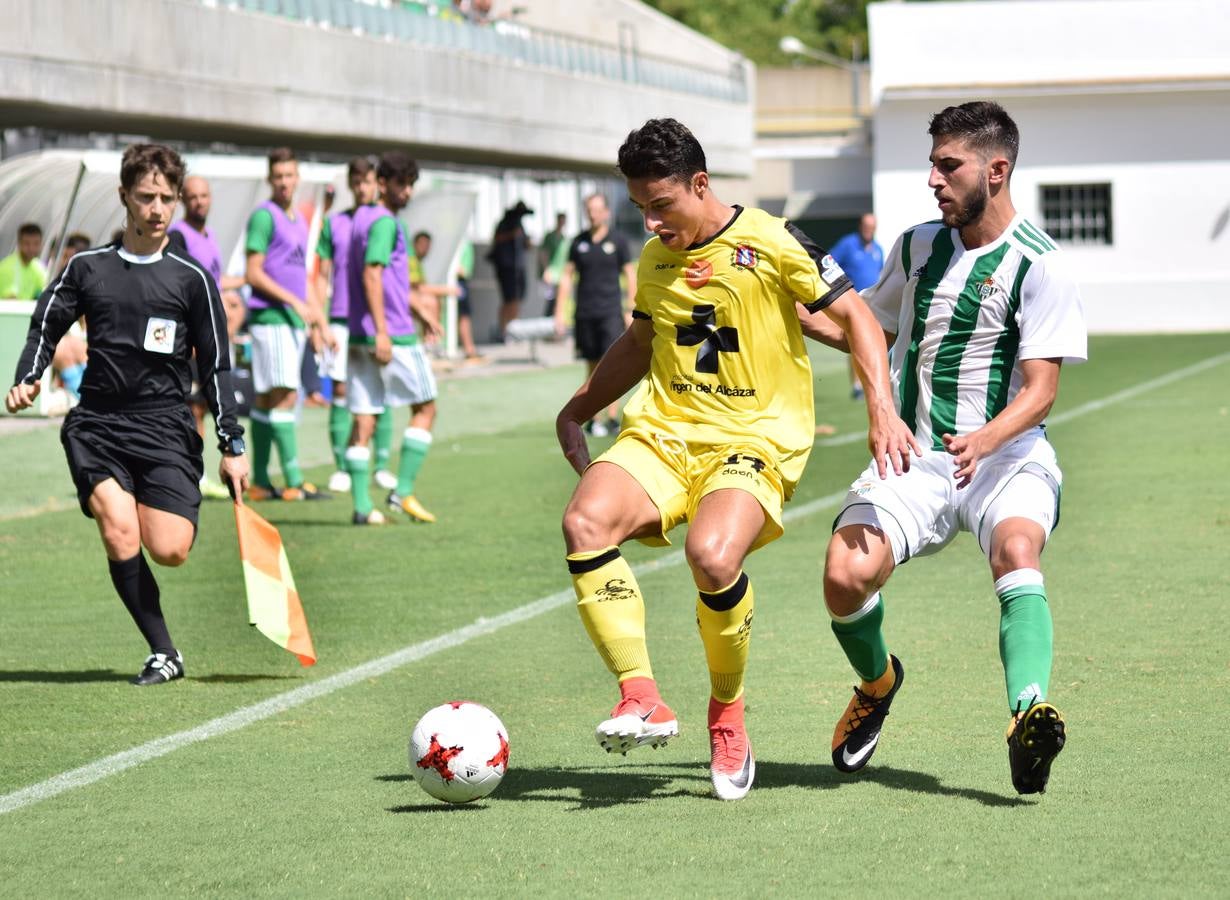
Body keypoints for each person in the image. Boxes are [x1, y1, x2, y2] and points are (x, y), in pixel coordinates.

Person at [555, 118, 916, 801]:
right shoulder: (656, 260)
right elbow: (640, 342)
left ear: (701, 184)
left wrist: (881, 407)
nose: (652, 222)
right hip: (664, 432)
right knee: (585, 524)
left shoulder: (773, 240)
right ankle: (642, 697)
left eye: (661, 205)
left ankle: (728, 714)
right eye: (640, 209)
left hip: (753, 437)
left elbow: (859, 320)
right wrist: (577, 409)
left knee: (714, 557)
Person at [813, 101, 1087, 796]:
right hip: (917, 459)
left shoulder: (1040, 264)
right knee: (846, 577)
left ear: (996, 171)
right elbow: (864, 328)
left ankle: (1028, 715)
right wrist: (773, 301)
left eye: (948, 165)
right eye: (932, 163)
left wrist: (990, 436)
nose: (933, 179)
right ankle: (878, 685)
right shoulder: (915, 246)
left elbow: (1042, 388)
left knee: (1016, 552)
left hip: (1008, 459)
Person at [5, 143, 248, 685]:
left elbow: (217, 368)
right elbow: (46, 321)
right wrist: (29, 374)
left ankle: (151, 499)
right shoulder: (88, 268)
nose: (158, 208)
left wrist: (232, 445)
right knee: (119, 531)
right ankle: (164, 651)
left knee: (171, 549)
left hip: (165, 427)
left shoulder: (192, 280)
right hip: (98, 425)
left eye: (167, 198)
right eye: (146, 197)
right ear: (125, 198)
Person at [342, 151, 443, 526]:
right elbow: (373, 274)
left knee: (364, 419)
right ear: (383, 183)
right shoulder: (384, 222)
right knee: (426, 407)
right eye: (402, 183)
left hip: (358, 334)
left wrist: (421, 311)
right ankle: (402, 491)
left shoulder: (360, 219)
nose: (408, 191)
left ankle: (362, 506)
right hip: (392, 335)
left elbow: (387, 281)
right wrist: (385, 330)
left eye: (411, 184)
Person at [243, 147, 328, 501]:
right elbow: (252, 272)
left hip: (290, 321)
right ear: (270, 179)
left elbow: (301, 276)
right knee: (285, 395)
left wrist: (317, 318)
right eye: (277, 176)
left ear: (298, 178)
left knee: (266, 399)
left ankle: (261, 483)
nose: (283, 182)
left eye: (289, 175)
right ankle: (293, 480)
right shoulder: (264, 216)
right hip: (272, 318)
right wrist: (294, 303)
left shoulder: (300, 219)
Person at [314, 156, 392, 494]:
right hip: (340, 318)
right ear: (351, 184)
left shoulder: (384, 221)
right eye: (356, 182)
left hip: (374, 321)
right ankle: (343, 467)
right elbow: (320, 273)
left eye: (367, 181)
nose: (362, 187)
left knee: (381, 391)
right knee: (341, 392)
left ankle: (382, 465)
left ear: (377, 183)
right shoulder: (334, 223)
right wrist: (319, 320)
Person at [169, 175, 249, 500]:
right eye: (193, 196)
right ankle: (193, 472)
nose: (199, 201)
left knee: (203, 404)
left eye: (204, 195)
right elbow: (180, 283)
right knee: (192, 408)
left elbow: (212, 279)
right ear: (183, 199)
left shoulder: (211, 236)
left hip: (209, 334)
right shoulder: (179, 236)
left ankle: (197, 471)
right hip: (190, 335)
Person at [553, 193, 636, 437]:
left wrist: (631, 307)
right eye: (589, 209)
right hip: (585, 313)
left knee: (609, 364)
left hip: (610, 312)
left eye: (598, 209)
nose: (593, 214)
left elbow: (629, 274)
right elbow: (567, 276)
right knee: (590, 366)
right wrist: (559, 312)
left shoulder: (618, 241)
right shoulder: (578, 242)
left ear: (607, 212)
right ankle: (594, 418)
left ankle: (611, 418)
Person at [829, 212, 885, 400]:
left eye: (872, 227)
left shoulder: (877, 249)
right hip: (853, 302)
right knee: (854, 341)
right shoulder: (848, 244)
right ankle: (857, 385)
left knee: (874, 342)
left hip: (873, 303)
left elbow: (880, 273)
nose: (869, 230)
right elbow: (828, 263)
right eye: (866, 226)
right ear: (860, 226)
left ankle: (873, 383)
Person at [489, 200, 532, 339]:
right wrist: (510, 235)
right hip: (507, 268)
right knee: (510, 300)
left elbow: (525, 243)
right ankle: (506, 330)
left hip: (518, 267)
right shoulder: (505, 223)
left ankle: (512, 329)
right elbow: (497, 239)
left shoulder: (520, 225)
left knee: (516, 299)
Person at [0, 222, 47, 299]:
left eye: (36, 244)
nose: (31, 248)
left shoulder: (40, 268)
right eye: (27, 243)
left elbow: (44, 295)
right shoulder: (7, 268)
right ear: (19, 244)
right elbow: (11, 303)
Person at [539, 211, 567, 315]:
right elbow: (543, 253)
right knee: (550, 300)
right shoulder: (550, 236)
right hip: (552, 274)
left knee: (559, 300)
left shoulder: (564, 238)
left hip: (561, 275)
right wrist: (546, 270)